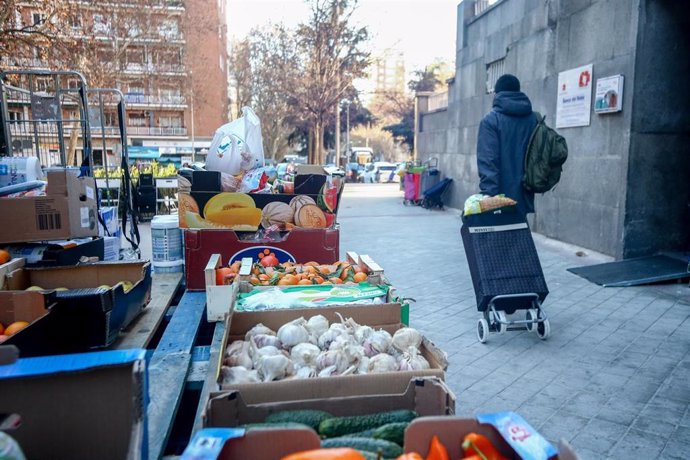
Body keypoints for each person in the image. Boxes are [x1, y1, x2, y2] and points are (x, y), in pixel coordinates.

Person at [476, 74, 537, 217]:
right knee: (519, 235)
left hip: (498, 197)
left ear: (497, 94)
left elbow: (488, 160)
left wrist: (489, 194)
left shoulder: (491, 121)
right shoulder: (534, 119)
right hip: (524, 192)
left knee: (499, 237)